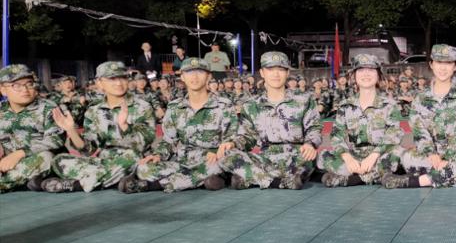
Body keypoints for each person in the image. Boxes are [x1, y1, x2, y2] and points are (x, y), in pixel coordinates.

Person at [121, 57, 241, 192]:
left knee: (220, 165)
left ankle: (153, 185)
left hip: (212, 160)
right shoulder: (175, 107)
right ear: (182, 77)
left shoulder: (223, 105)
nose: (194, 77)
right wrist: (158, 155)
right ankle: (206, 180)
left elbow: (231, 138)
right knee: (143, 168)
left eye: (200, 72)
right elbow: (169, 141)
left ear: (209, 76)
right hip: (183, 162)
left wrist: (218, 152)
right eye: (189, 72)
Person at [45, 61, 156, 192]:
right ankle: (111, 180)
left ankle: (78, 185)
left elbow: (143, 144)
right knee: (58, 160)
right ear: (99, 83)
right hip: (104, 161)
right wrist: (71, 130)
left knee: (131, 158)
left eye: (122, 77)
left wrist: (124, 126)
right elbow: (89, 150)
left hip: (133, 159)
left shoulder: (142, 106)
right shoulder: (94, 110)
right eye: (112, 79)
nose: (119, 83)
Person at [220, 51, 320, 189]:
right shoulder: (251, 105)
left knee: (316, 158)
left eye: (281, 69)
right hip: (265, 157)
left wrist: (310, 144)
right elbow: (247, 137)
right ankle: (278, 182)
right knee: (225, 155)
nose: (276, 74)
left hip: (297, 156)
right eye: (270, 69)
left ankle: (252, 177)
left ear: (287, 73)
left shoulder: (304, 100)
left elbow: (314, 128)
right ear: (262, 73)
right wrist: (233, 143)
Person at [383, 44, 456, 189]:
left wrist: (447, 159)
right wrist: (431, 154)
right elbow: (419, 132)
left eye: (448, 63)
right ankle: (452, 176)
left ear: (455, 66)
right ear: (431, 64)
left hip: (455, 155)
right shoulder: (420, 98)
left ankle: (416, 181)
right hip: (428, 157)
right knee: (407, 157)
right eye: (439, 62)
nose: (443, 68)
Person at [318, 54, 402, 187]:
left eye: (371, 70)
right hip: (354, 156)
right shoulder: (345, 105)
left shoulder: (390, 105)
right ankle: (375, 176)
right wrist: (348, 158)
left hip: (380, 155)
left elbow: (394, 134)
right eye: (361, 70)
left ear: (378, 75)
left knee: (398, 152)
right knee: (323, 155)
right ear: (354, 76)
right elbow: (337, 135)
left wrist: (374, 155)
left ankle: (355, 179)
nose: (366, 74)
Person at [0, 64, 63, 192]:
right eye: (16, 85)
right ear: (3, 90)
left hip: (35, 160)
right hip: (6, 163)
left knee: (46, 157)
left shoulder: (48, 108)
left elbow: (56, 139)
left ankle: (5, 183)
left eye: (29, 84)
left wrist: (20, 153)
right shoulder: (1, 110)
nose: (25, 89)